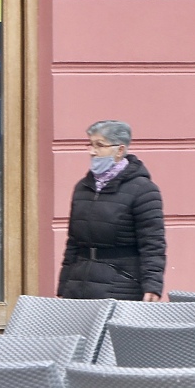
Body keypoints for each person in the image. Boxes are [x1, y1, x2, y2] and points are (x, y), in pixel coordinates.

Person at [58, 120, 166, 301]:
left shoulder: (143, 190)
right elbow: (73, 245)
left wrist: (152, 286)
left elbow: (153, 244)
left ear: (120, 151)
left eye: (99, 145)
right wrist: (63, 286)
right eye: (90, 145)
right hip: (79, 286)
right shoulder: (82, 188)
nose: (92, 151)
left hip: (121, 286)